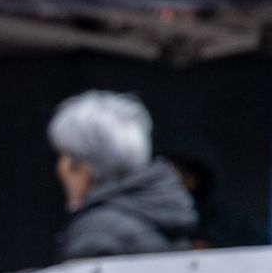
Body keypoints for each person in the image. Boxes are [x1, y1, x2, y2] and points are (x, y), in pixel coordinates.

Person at [47, 90, 197, 262]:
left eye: (64, 155)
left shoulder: (97, 233)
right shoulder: (164, 211)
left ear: (83, 167)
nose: (61, 168)